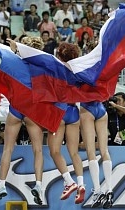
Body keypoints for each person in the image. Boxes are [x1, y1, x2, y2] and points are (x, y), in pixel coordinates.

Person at [0, 36, 44, 205]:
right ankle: (39, 187)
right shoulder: (42, 64)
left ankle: (1, 186)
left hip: (15, 108)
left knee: (8, 149)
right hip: (32, 111)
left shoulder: (12, 59)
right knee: (38, 151)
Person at [47, 43, 85, 204]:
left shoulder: (55, 68)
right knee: (74, 152)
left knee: (54, 151)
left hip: (59, 111)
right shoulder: (80, 70)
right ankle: (82, 184)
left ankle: (69, 181)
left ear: (60, 55)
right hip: (74, 113)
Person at [79, 101, 113, 208]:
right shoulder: (98, 82)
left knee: (91, 152)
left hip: (86, 108)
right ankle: (109, 189)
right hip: (101, 108)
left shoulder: (78, 82)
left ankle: (98, 191)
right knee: (105, 151)